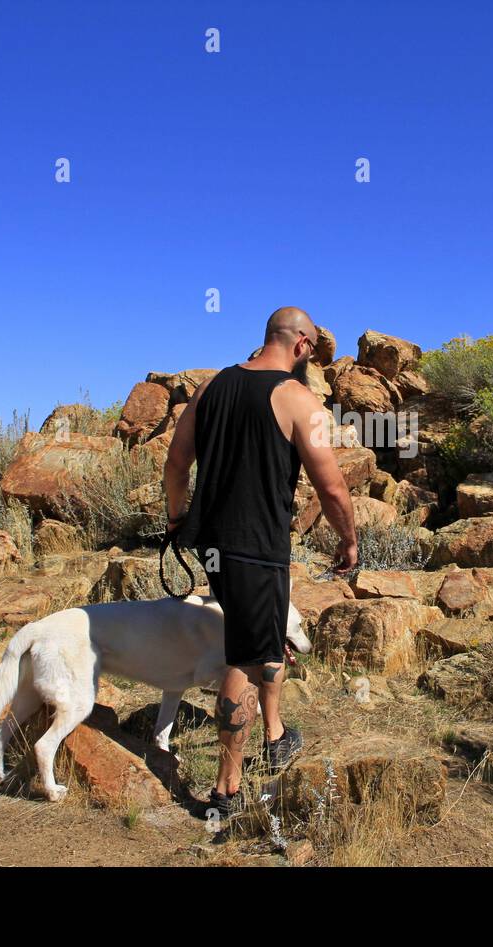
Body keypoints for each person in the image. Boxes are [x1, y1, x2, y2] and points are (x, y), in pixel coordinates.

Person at [163, 306, 358, 820]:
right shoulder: (299, 399)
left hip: (216, 546)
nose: (310, 358)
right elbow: (332, 487)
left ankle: (274, 735)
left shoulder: (211, 388)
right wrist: (349, 541)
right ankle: (226, 789)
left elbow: (176, 463)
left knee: (263, 636)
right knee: (245, 660)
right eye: (312, 350)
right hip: (257, 547)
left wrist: (177, 518)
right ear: (300, 346)